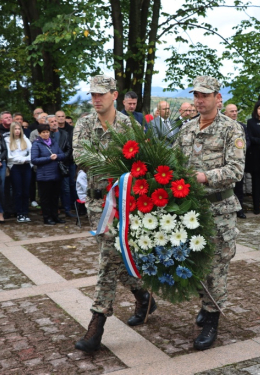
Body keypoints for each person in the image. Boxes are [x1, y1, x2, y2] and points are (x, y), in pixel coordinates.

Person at [73, 74, 155, 354]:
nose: (96, 99)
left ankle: (96, 324)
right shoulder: (84, 123)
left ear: (114, 95)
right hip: (97, 204)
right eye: (92, 95)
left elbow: (138, 161)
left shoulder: (129, 125)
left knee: (108, 261)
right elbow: (79, 156)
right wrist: (112, 164)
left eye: (101, 94)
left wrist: (112, 167)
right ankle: (143, 296)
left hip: (123, 204)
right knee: (117, 259)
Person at [175, 76, 245, 350]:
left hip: (219, 209)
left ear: (218, 97)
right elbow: (175, 162)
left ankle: (213, 318)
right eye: (196, 95)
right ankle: (206, 304)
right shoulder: (187, 129)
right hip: (191, 209)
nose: (199, 100)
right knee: (195, 262)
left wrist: (205, 176)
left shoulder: (232, 129)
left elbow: (236, 170)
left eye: (205, 95)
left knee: (216, 266)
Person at [31, 124, 66, 225]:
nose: (46, 134)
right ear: (39, 133)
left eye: (47, 132)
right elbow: (34, 160)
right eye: (43, 132)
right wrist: (49, 158)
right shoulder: (36, 144)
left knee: (55, 197)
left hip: (56, 174)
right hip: (44, 176)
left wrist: (57, 156)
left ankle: (55, 216)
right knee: (45, 198)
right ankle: (47, 217)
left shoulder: (53, 142)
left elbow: (62, 155)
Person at [225, 103, 250, 218]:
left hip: (238, 162)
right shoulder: (223, 126)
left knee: (239, 186)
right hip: (224, 163)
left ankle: (239, 210)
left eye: (236, 111)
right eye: (232, 111)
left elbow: (248, 141)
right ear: (226, 113)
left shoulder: (242, 126)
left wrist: (240, 150)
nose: (234, 113)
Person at [48, 115, 74, 217]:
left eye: (55, 121)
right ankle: (54, 210)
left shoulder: (64, 133)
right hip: (50, 165)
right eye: (52, 122)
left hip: (63, 164)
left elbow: (69, 148)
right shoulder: (46, 135)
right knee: (52, 190)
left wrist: (61, 157)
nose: (54, 123)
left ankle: (67, 210)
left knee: (66, 188)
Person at [6, 122, 32, 222]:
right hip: (15, 167)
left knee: (26, 191)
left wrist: (26, 159)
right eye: (15, 129)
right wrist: (21, 159)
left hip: (26, 166)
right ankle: (19, 213)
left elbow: (32, 152)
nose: (17, 131)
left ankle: (25, 212)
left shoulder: (25, 139)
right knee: (18, 191)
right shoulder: (8, 140)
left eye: (19, 129)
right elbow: (10, 157)